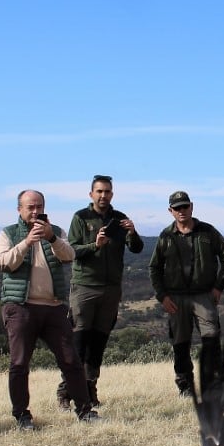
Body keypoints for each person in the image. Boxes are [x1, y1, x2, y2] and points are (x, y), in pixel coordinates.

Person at [0, 189, 97, 429]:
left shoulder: (56, 232)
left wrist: (52, 237)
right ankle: (22, 416)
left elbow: (70, 255)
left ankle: (85, 411)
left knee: (71, 361)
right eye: (30, 207)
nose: (35, 211)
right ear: (19, 209)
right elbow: (2, 263)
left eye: (39, 206)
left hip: (53, 307)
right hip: (20, 307)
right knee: (19, 364)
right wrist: (27, 242)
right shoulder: (8, 233)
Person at [60, 174, 144, 409]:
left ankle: (89, 390)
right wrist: (94, 245)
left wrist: (133, 232)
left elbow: (137, 249)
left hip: (111, 289)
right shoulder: (80, 217)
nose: (103, 195)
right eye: (99, 191)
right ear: (91, 194)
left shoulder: (119, 219)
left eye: (107, 191)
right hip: (85, 286)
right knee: (79, 342)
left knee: (98, 343)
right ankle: (66, 392)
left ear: (112, 194)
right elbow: (71, 250)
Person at [149, 190, 224, 396]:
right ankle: (185, 386)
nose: (182, 211)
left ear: (192, 207)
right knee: (180, 344)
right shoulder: (166, 235)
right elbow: (154, 268)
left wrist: (218, 287)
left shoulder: (208, 231)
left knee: (211, 340)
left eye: (185, 206)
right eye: (177, 208)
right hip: (175, 298)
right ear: (170, 211)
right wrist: (162, 296)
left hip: (204, 296)